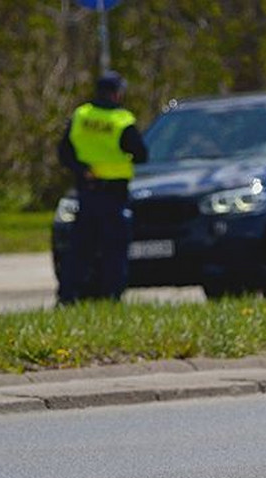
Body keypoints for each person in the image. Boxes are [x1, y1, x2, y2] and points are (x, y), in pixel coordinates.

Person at [57, 71, 148, 304]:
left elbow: (64, 152)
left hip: (87, 192)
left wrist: (82, 169)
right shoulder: (121, 120)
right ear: (117, 94)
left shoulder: (81, 115)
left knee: (79, 250)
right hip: (114, 195)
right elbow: (141, 154)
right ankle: (112, 297)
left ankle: (67, 297)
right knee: (114, 250)